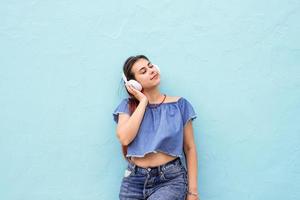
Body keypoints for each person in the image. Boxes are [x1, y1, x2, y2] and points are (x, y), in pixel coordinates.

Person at [112, 55, 200, 200]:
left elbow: (190, 148)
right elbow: (125, 138)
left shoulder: (180, 105)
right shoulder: (128, 107)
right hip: (134, 180)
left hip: (170, 180)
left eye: (151, 66)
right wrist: (143, 102)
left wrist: (193, 192)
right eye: (143, 71)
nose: (151, 70)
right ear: (134, 83)